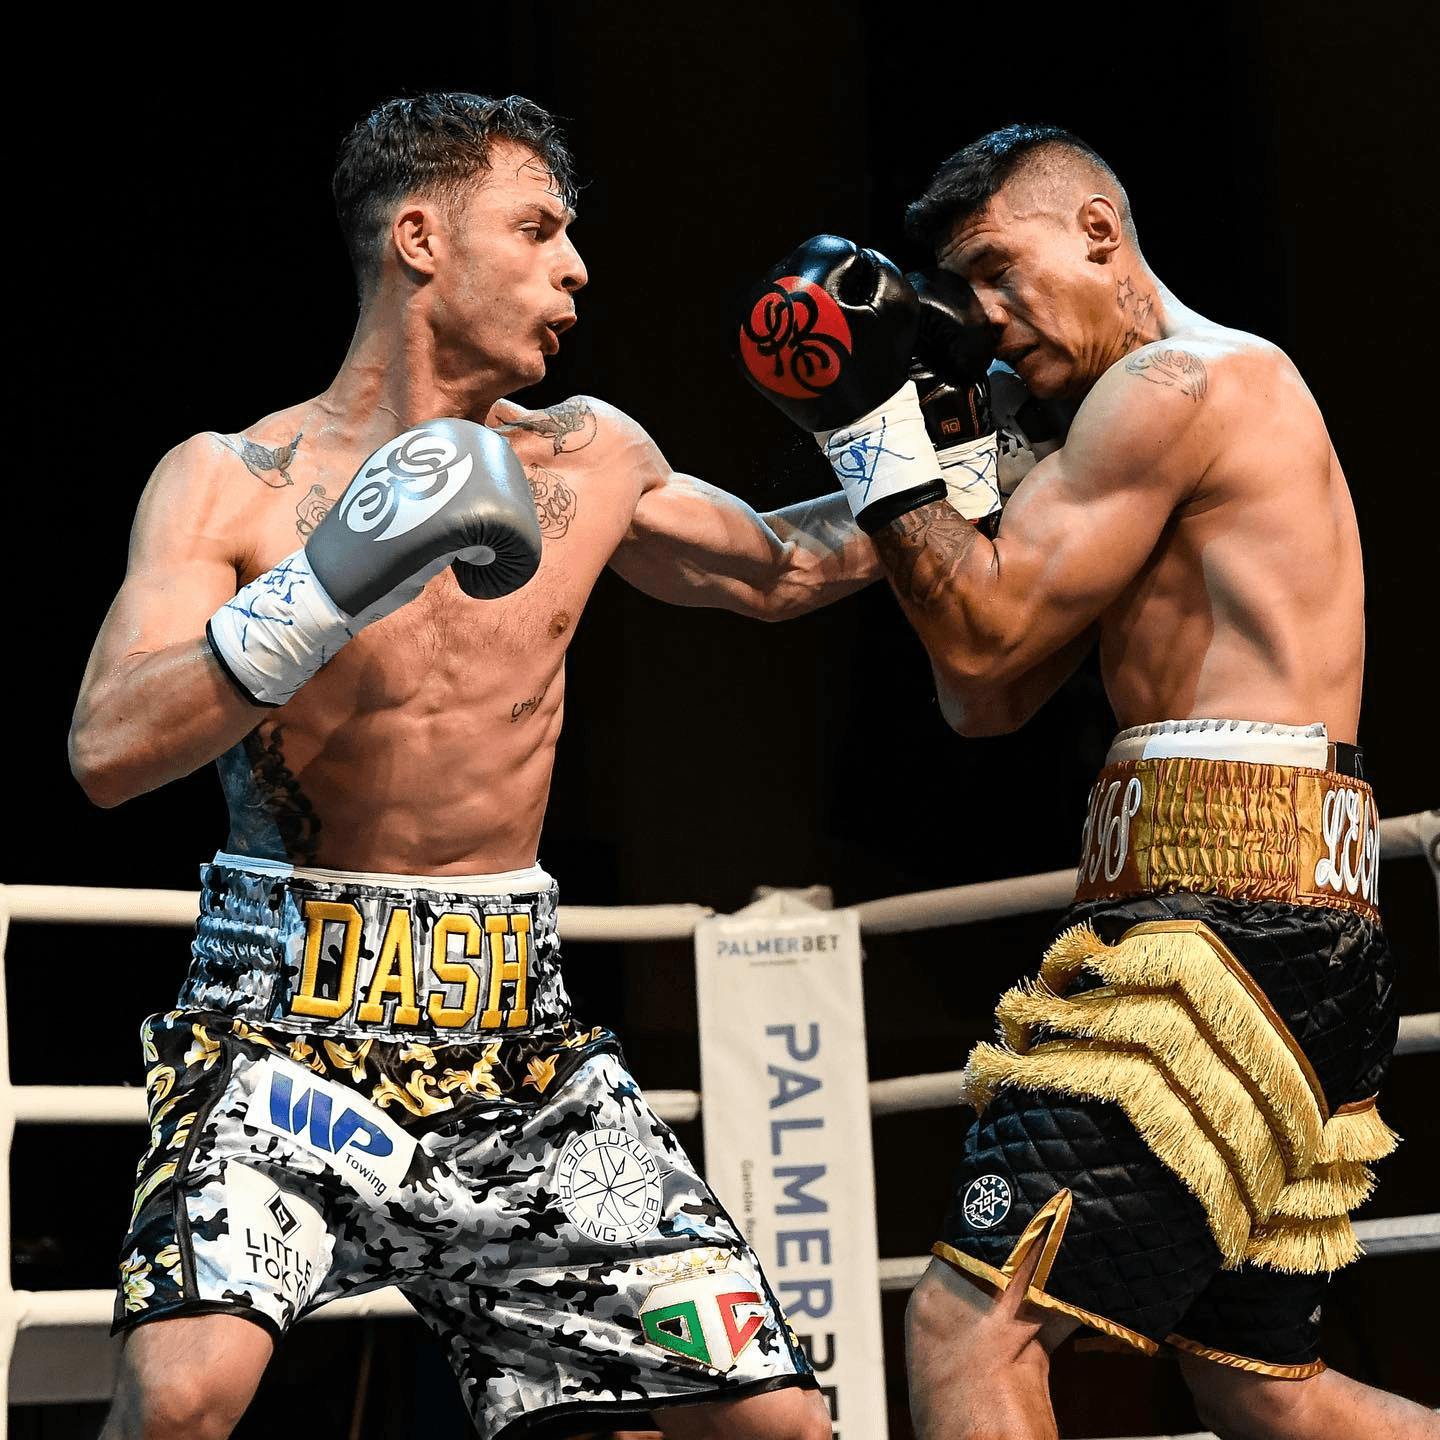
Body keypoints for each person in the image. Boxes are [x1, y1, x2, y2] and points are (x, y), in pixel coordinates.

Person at [68, 91, 870, 1440]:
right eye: (539, 228)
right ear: (421, 240)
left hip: (522, 1056)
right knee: (179, 1397)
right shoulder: (231, 480)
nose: (578, 268)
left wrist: (949, 457)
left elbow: (783, 570)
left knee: (776, 1425)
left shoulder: (591, 457)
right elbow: (107, 746)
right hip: (279, 1035)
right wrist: (326, 583)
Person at [737, 125, 1433, 1438]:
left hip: (1231, 932)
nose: (989, 317)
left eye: (1001, 268)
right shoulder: (1116, 428)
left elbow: (982, 638)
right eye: (964, 290)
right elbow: (983, 695)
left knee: (968, 1326)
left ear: (1100, 232)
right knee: (1260, 1394)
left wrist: (875, 435)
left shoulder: (1176, 382)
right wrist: (943, 459)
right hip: (1259, 920)